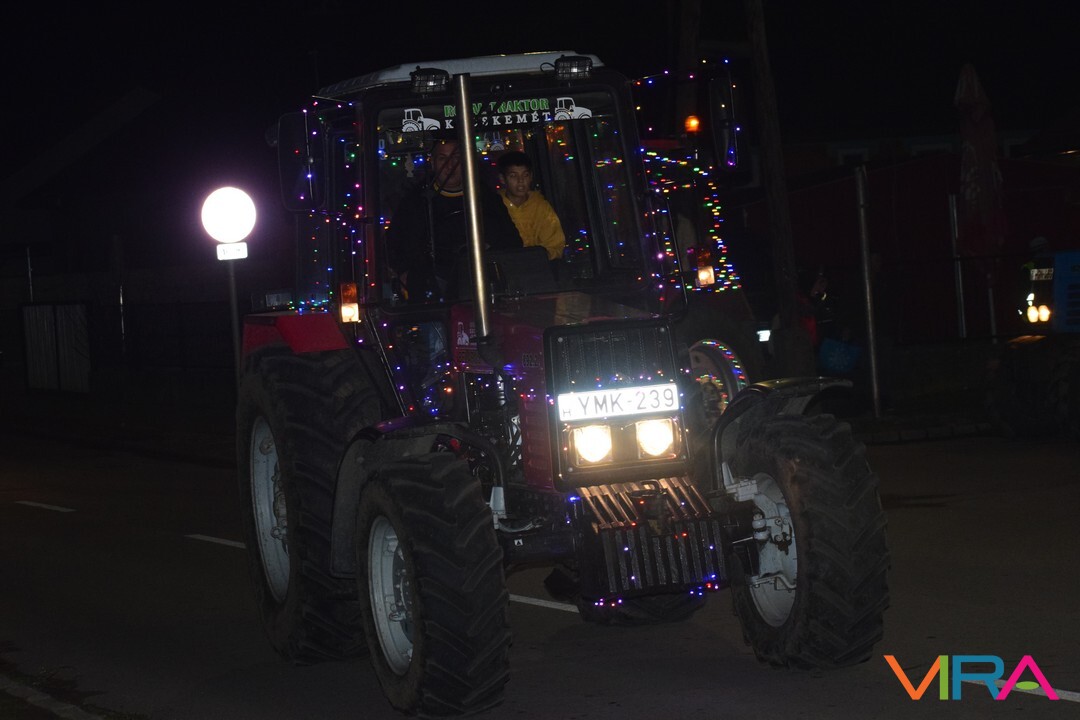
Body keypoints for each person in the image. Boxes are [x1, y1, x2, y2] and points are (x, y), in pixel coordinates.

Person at [387, 136, 522, 302]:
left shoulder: (486, 198)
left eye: (456, 158)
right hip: (433, 290)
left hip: (484, 282)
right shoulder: (416, 202)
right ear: (433, 163)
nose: (450, 166)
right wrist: (408, 273)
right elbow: (395, 246)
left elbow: (512, 241)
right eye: (442, 158)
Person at [495, 151, 566, 263]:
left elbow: (555, 245)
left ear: (531, 177)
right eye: (513, 176)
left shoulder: (540, 206)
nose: (520, 181)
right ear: (503, 179)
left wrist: (534, 258)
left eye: (525, 175)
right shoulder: (494, 207)